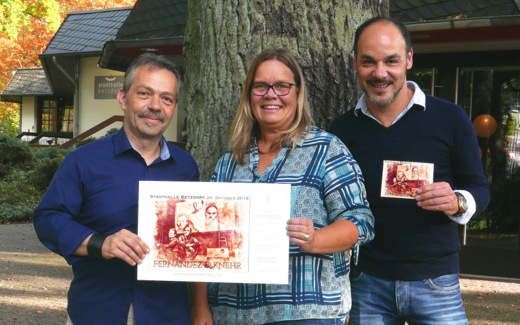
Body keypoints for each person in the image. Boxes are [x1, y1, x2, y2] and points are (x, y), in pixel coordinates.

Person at [329, 17, 491, 325]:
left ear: (409, 59)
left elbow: (480, 189)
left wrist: (457, 201)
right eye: (368, 62)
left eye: (391, 61)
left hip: (436, 282)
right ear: (355, 64)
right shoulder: (342, 130)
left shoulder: (451, 118)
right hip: (368, 282)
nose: (380, 73)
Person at [199, 48, 375, 325]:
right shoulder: (230, 162)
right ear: (249, 94)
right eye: (261, 86)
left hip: (306, 312)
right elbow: (204, 242)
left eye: (282, 86)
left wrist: (315, 239)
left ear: (297, 93)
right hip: (232, 312)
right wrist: (201, 310)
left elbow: (361, 222)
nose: (271, 94)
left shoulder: (326, 150)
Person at [32, 53, 206, 325]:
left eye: (166, 98)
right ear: (123, 98)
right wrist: (101, 243)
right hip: (99, 309)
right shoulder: (84, 161)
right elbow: (48, 219)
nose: (155, 106)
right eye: (145, 93)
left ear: (174, 107)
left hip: (167, 312)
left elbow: (198, 237)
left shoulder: (185, 167)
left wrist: (200, 307)